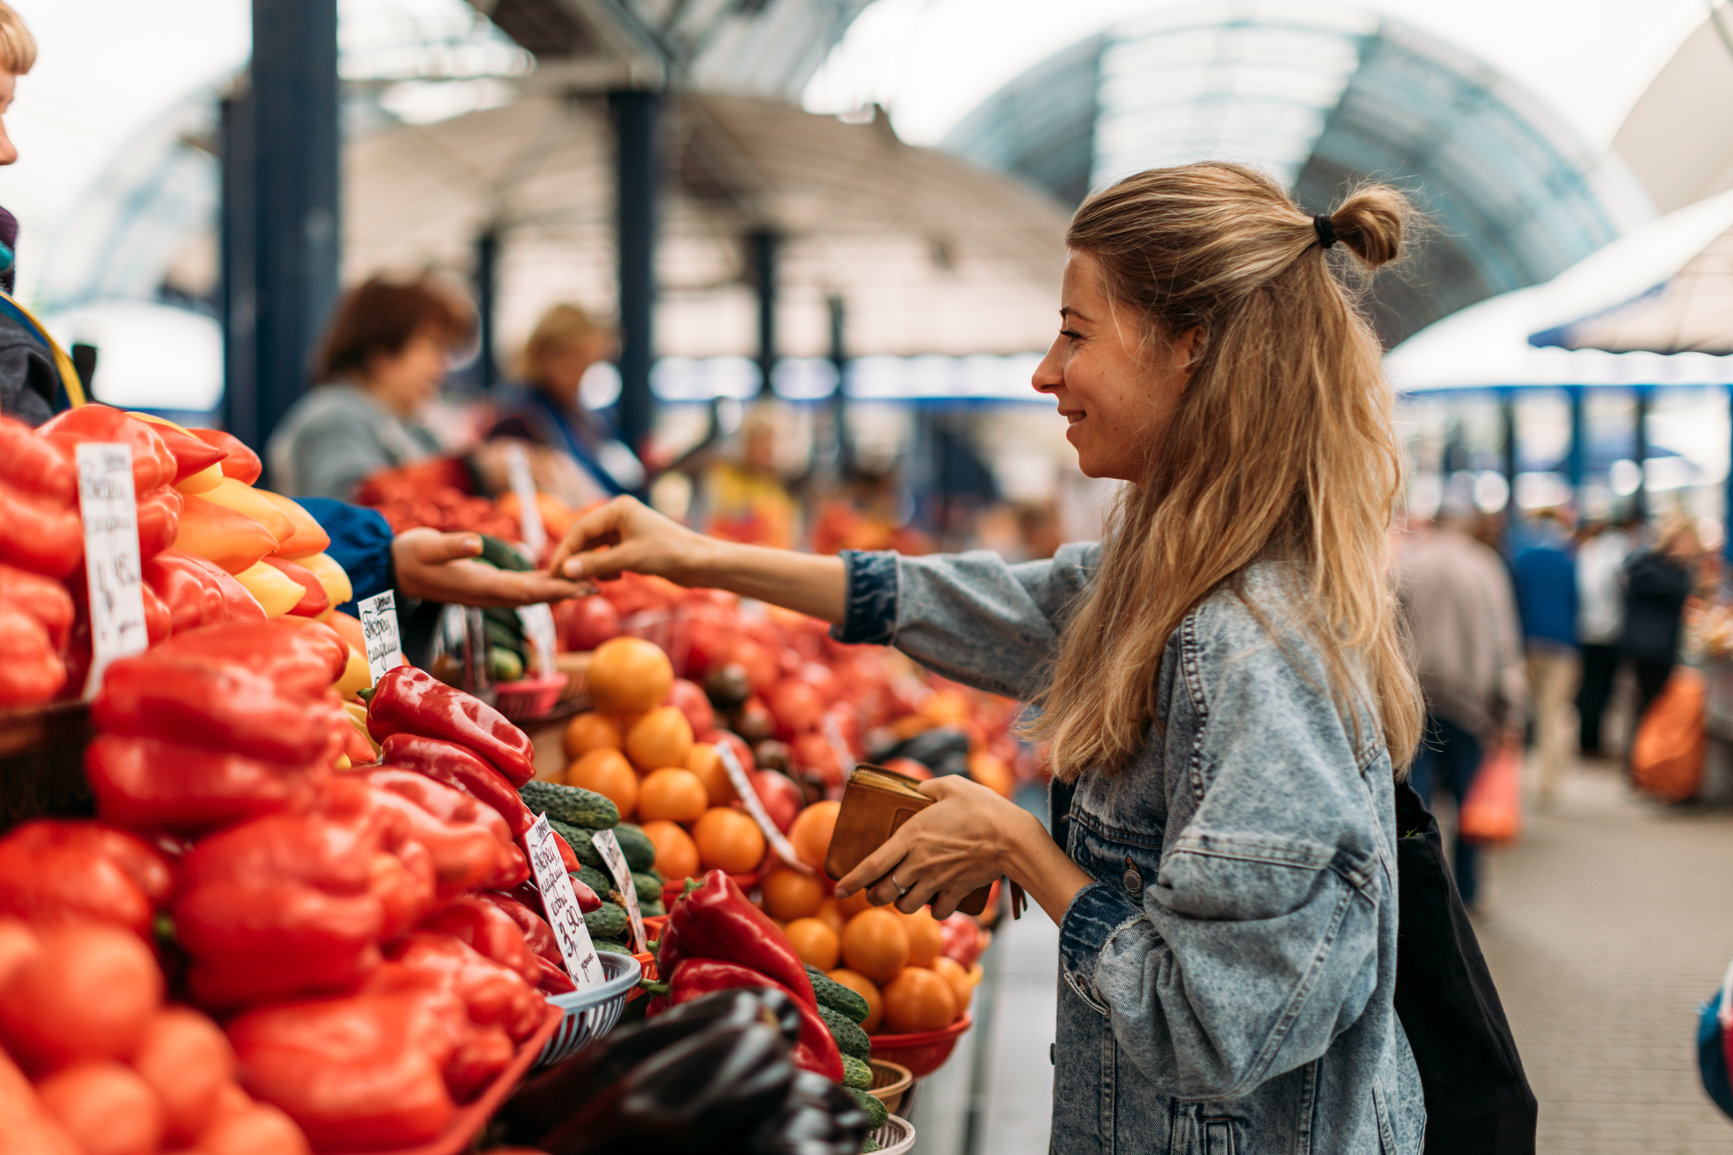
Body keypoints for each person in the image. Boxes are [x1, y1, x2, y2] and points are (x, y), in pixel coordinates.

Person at [547, 164, 1427, 1153]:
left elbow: (1208, 1026)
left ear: (1192, 349)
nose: (1045, 372)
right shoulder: (1171, 575)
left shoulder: (1249, 642)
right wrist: (694, 556)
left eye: (1076, 332)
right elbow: (988, 606)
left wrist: (1019, 850)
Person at [1396, 498, 1527, 905]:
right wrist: (1511, 709)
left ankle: (1414, 882)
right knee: (1471, 799)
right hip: (1471, 705)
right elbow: (1504, 641)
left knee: (1417, 797)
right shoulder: (1485, 567)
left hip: (1415, 701)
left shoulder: (1408, 564)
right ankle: (1467, 889)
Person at [266, 274, 475, 500]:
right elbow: (351, 505)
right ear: (382, 350)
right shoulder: (335, 419)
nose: (443, 364)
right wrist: (468, 473)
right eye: (434, 346)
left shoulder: (408, 427)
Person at [487, 303, 643, 502]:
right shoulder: (520, 421)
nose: (580, 372)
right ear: (543, 355)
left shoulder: (588, 418)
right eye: (574, 358)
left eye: (589, 361)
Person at [1510, 508, 1578, 805]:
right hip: (1561, 645)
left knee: (1522, 711)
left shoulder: (1521, 558)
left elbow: (1514, 603)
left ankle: (1516, 781)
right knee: (1552, 713)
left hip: (1527, 644)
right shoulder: (1567, 561)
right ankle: (1548, 782)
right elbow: (1575, 603)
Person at [1621, 517, 1698, 732]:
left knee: (1643, 705)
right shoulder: (1668, 573)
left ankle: (1642, 755)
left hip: (1643, 645)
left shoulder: (1644, 566)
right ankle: (1646, 756)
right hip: (1654, 648)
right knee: (1651, 706)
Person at [1575, 514, 1632, 757]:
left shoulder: (1586, 556)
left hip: (1585, 630)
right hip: (1606, 632)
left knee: (1589, 688)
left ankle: (1587, 739)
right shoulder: (1613, 556)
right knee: (1599, 690)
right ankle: (1591, 742)